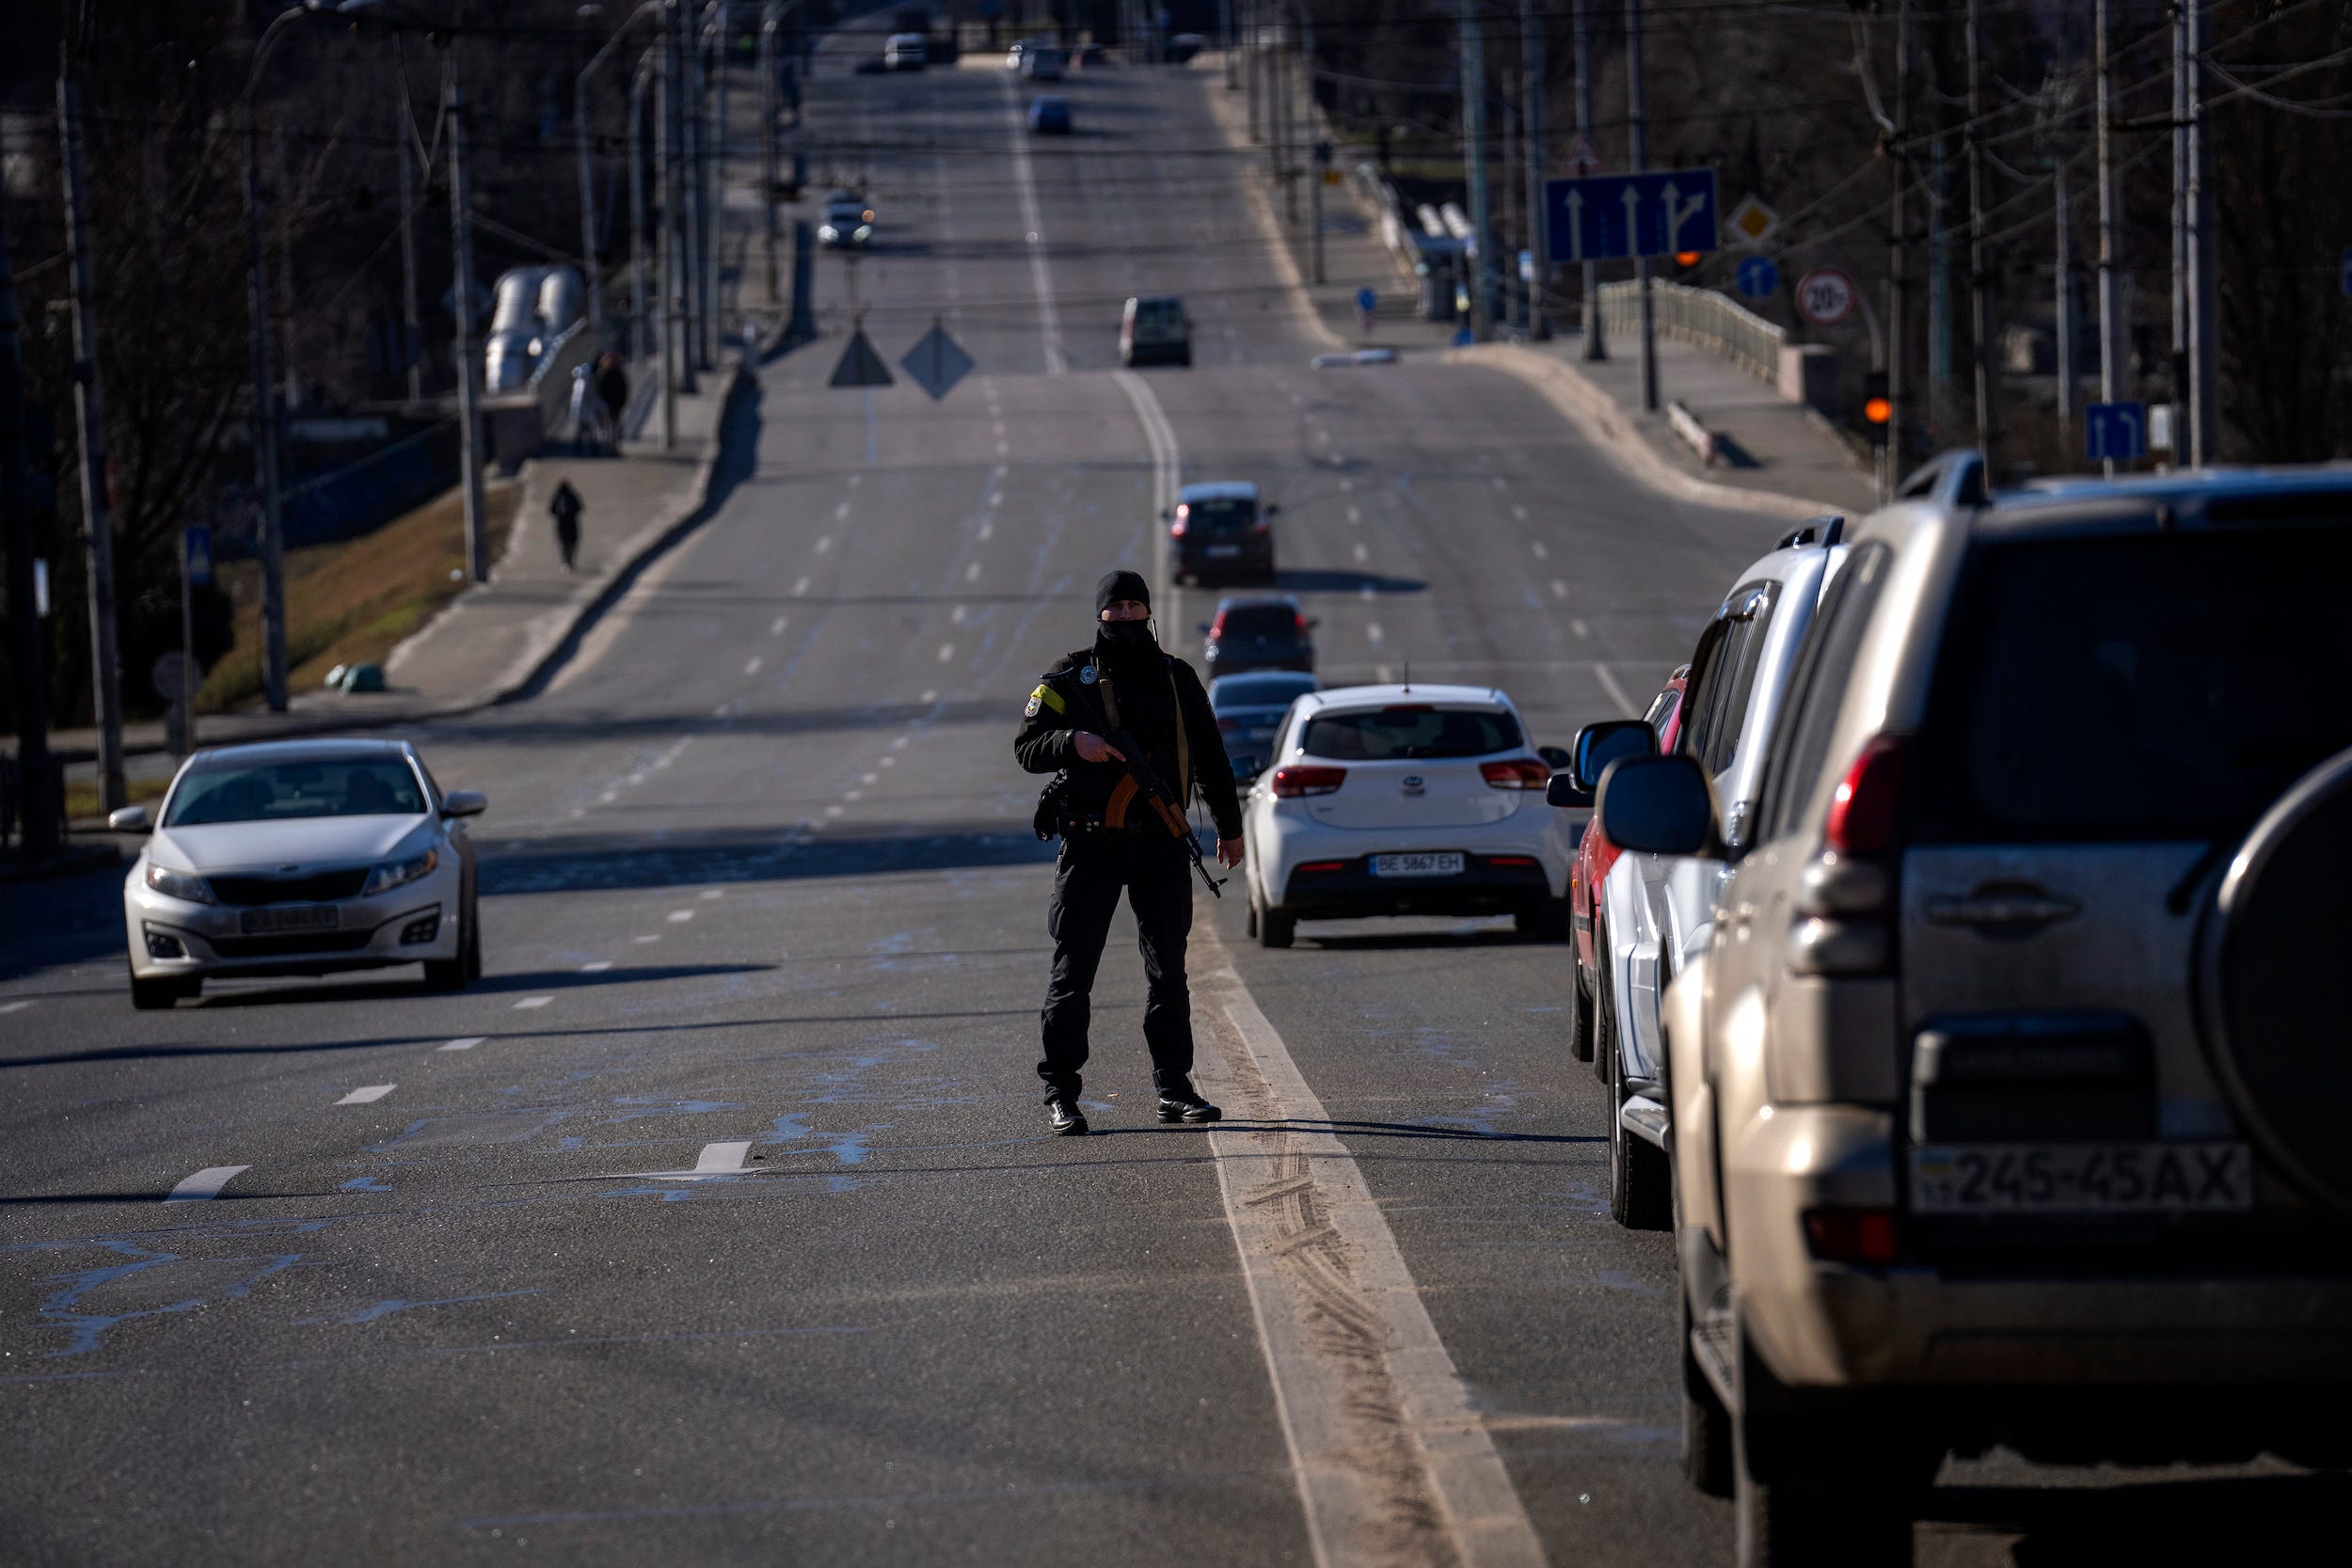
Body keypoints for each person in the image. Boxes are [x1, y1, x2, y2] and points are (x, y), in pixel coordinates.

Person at [1013, 569, 1247, 1136]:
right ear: (1099, 615)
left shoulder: (1176, 677)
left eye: (1133, 607)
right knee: (1074, 972)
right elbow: (1026, 747)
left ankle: (1175, 1087)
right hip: (1091, 844)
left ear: (1149, 613)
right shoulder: (1069, 678)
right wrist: (1074, 741)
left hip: (1160, 843)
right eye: (1113, 609)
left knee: (1168, 971)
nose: (1123, 617)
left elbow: (1212, 758)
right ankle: (1061, 1092)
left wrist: (1230, 827)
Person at [549, 480, 583, 572]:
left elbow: (551, 510)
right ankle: (569, 560)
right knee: (572, 543)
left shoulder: (557, 497)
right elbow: (580, 507)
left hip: (561, 524)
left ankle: (566, 562)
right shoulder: (572, 496)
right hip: (572, 523)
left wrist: (559, 515)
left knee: (564, 544)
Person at [596, 353, 629, 447]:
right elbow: (598, 389)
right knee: (606, 427)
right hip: (605, 404)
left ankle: (614, 446)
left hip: (616, 405)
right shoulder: (602, 374)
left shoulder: (619, 374)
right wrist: (601, 401)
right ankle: (607, 445)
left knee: (615, 427)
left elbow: (624, 389)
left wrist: (622, 402)